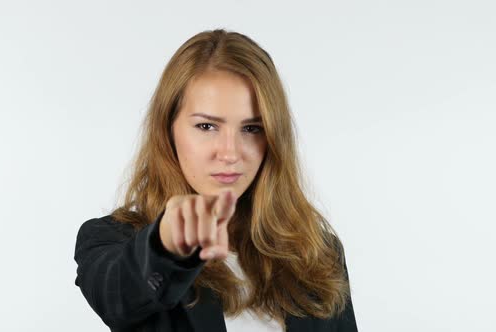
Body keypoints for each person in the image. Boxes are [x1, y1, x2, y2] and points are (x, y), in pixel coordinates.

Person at [73, 28, 358, 332]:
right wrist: (165, 245)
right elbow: (119, 295)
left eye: (251, 129)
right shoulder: (112, 239)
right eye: (207, 126)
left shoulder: (315, 249)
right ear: (168, 129)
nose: (230, 153)